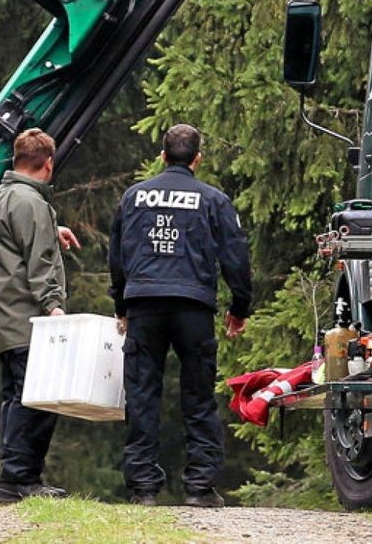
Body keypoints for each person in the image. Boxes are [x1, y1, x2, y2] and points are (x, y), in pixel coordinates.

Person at [108, 123, 252, 508]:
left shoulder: (134, 197)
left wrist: (121, 305)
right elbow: (235, 256)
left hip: (145, 306)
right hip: (193, 308)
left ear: (162, 156)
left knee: (141, 397)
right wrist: (239, 308)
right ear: (197, 159)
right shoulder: (213, 199)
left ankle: (143, 490)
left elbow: (118, 255)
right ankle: (200, 488)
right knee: (199, 397)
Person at [0, 128, 81, 504]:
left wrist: (52, 229)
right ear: (49, 163)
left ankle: (14, 479)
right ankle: (22, 480)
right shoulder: (32, 203)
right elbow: (41, 264)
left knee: (16, 397)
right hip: (28, 317)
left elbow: (11, 239)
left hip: (2, 316)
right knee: (37, 399)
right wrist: (54, 307)